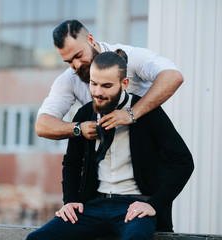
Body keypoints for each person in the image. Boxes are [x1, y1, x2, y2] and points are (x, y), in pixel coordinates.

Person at [27, 50, 194, 240]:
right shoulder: (84, 114)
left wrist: (154, 204)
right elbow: (72, 162)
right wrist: (70, 200)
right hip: (94, 205)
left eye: (106, 86)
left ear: (124, 84)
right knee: (36, 239)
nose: (98, 92)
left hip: (135, 206)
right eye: (94, 84)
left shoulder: (147, 113)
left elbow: (183, 161)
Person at [35, 19, 184, 140]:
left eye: (78, 55)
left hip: (147, 151)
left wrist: (131, 114)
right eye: (68, 61)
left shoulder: (132, 56)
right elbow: (42, 125)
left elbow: (173, 76)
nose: (76, 65)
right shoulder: (69, 78)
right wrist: (78, 128)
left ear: (90, 39)